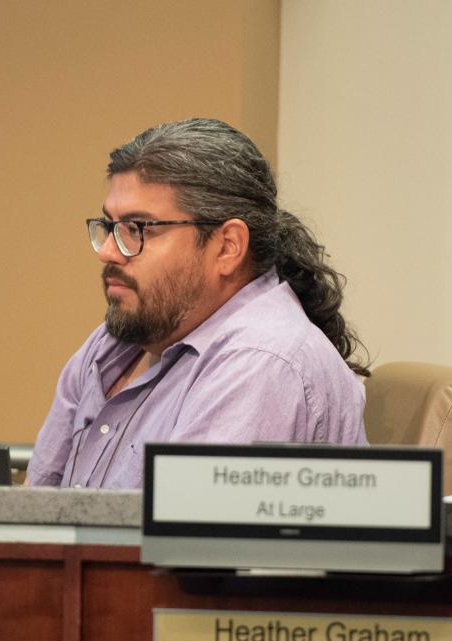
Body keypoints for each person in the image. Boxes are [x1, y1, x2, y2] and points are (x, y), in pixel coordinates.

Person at [27, 118, 369, 489]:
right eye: (110, 227)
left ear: (227, 247)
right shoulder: (115, 340)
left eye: (138, 229)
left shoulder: (261, 363)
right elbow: (33, 509)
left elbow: (186, 544)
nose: (109, 251)